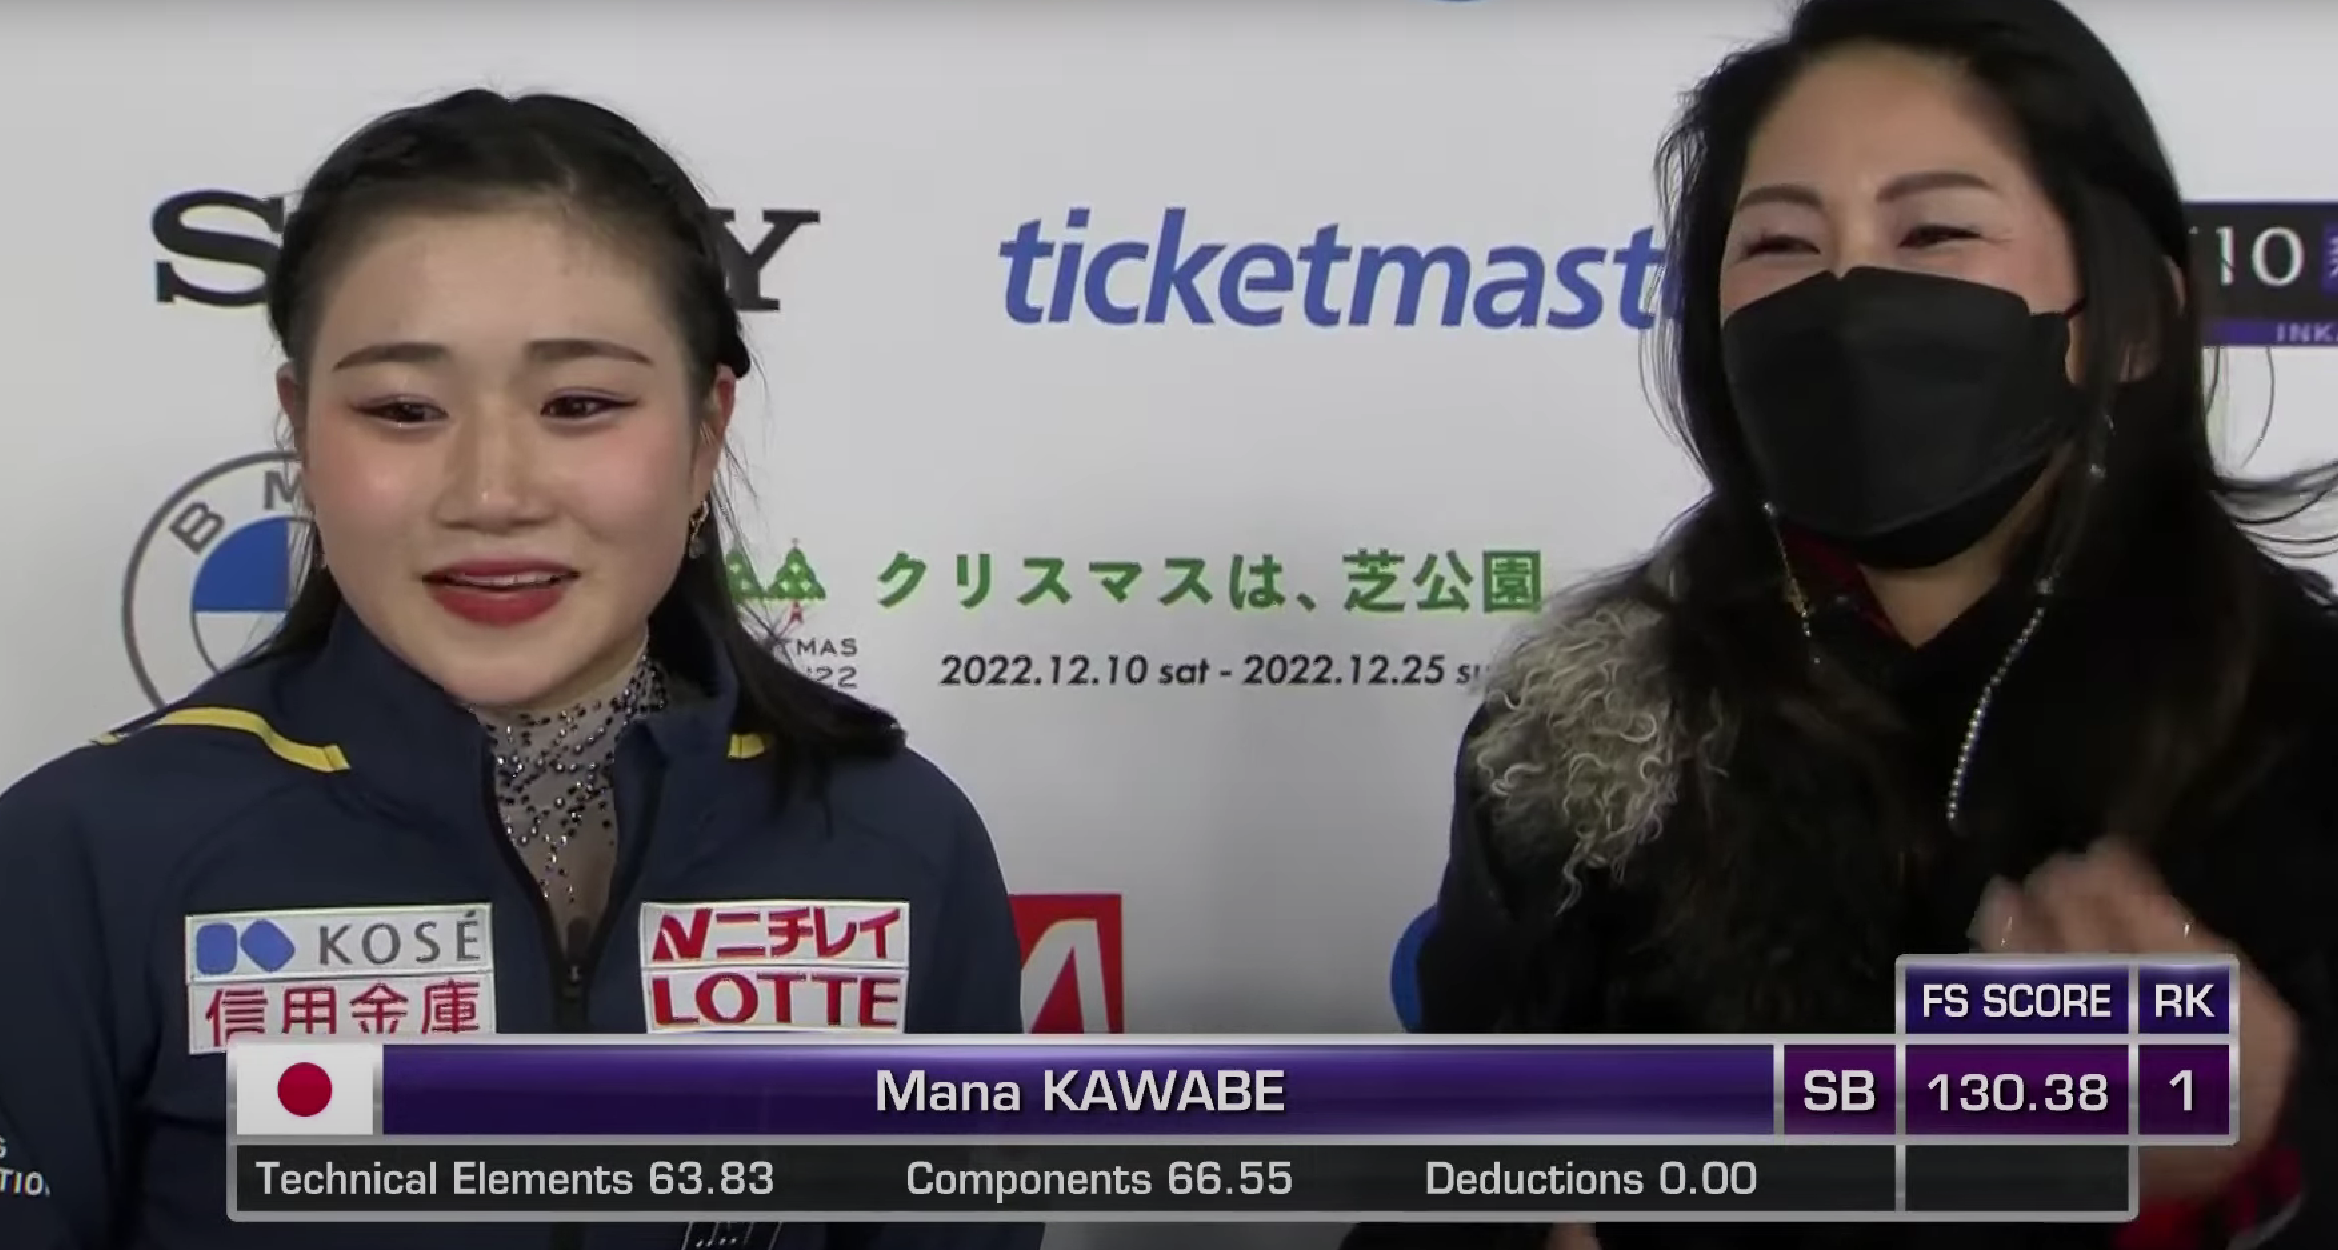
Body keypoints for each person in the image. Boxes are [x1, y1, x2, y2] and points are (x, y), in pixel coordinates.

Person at [1348, 0, 2337, 1247]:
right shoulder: (1586, 740)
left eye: (1933, 230)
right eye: (1779, 243)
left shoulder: (2294, 728)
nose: (1846, 295)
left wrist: (2251, 1161)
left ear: (2131, 319)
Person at [0, 90, 1038, 1250]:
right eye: (403, 408)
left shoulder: (894, 841)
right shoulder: (82, 855)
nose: (492, 493)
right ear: (301, 430)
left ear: (705, 434)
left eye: (579, 404)